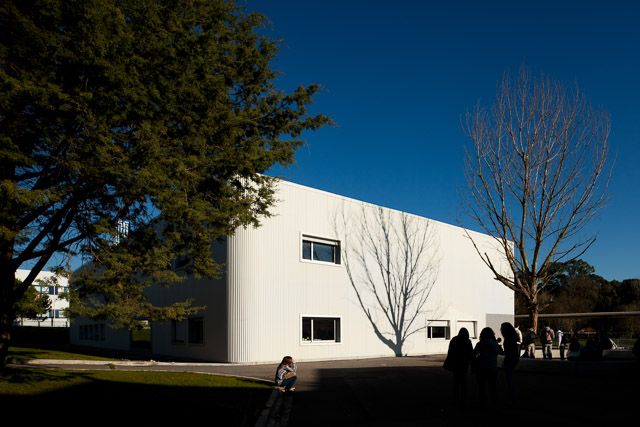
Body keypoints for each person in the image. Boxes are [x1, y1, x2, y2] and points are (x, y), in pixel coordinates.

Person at [444, 327, 474, 407]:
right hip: (464, 363)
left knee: (456, 381)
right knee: (463, 381)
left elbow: (450, 352)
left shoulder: (454, 340)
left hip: (456, 363)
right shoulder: (467, 341)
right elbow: (470, 353)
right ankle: (463, 399)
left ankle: (455, 398)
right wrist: (472, 364)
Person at [472, 327, 500, 407]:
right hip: (493, 367)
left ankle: (482, 404)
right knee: (492, 387)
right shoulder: (495, 344)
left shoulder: (480, 344)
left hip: (482, 367)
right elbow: (499, 352)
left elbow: (473, 354)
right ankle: (493, 403)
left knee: (481, 387)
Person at [500, 322, 520, 406]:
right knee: (510, 380)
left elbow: (508, 352)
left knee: (509, 381)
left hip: (509, 360)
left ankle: (512, 399)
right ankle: (512, 398)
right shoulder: (513, 337)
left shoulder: (508, 338)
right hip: (513, 360)